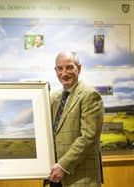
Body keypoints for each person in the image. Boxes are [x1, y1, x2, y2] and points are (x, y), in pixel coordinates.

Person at [48, 51, 104, 187]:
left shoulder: (90, 95)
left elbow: (88, 138)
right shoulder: (53, 97)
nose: (64, 73)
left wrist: (62, 165)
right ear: (55, 71)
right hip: (55, 176)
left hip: (80, 178)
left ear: (78, 68)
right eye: (59, 69)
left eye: (69, 67)